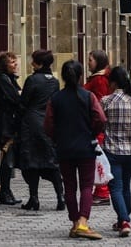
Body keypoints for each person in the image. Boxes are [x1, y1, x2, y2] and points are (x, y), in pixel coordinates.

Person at [44, 60, 106, 240]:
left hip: (64, 148)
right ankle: (83, 222)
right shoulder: (88, 96)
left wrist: (57, 138)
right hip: (85, 146)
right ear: (80, 76)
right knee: (87, 186)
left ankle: (74, 222)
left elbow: (47, 125)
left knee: (69, 186)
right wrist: (92, 132)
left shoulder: (55, 98)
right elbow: (100, 119)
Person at [19, 49, 64, 211]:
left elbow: (23, 102)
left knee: (31, 162)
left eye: (34, 61)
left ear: (40, 63)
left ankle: (34, 198)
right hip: (48, 123)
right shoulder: (55, 81)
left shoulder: (32, 80)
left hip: (31, 124)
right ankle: (60, 196)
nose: (32, 63)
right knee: (51, 161)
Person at [100, 66, 131, 238]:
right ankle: (124, 218)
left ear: (113, 82)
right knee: (126, 187)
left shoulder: (106, 101)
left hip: (112, 149)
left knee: (115, 188)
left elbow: (100, 122)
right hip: (130, 149)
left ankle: (124, 220)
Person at [0, 51, 23, 205]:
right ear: (4, 65)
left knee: (9, 157)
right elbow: (15, 98)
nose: (15, 64)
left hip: (10, 121)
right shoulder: (2, 79)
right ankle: (5, 192)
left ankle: (7, 190)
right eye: (12, 62)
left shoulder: (8, 78)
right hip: (7, 123)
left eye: (15, 61)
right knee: (7, 157)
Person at [84, 49, 112, 206]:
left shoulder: (99, 80)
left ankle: (102, 192)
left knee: (99, 159)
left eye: (90, 60)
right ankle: (101, 191)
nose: (88, 63)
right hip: (96, 125)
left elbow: (100, 104)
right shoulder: (99, 78)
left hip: (97, 126)